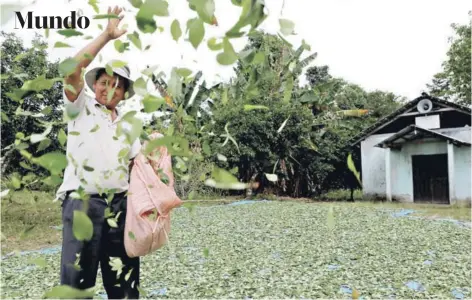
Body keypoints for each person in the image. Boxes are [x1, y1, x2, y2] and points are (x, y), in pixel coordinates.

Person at [55, 6, 141, 299]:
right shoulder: (80, 108)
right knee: (78, 283)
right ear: (94, 86)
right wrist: (106, 35)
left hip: (119, 208)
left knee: (124, 283)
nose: (109, 88)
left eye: (116, 85)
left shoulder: (129, 124)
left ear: (124, 91)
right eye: (104, 82)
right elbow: (71, 69)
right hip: (82, 205)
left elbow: (134, 166)